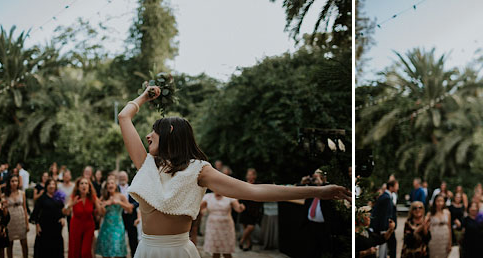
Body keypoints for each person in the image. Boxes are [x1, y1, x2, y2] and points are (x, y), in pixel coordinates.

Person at [116, 84, 351, 258]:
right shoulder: (145, 165)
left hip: (178, 251)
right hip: (145, 250)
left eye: (153, 131)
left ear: (168, 131)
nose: (147, 136)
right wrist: (145, 96)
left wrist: (317, 191)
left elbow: (254, 191)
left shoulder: (198, 170)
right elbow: (124, 116)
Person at [96, 180, 133, 258]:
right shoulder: (103, 197)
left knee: (117, 250)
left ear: (115, 186)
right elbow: (101, 214)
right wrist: (102, 207)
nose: (110, 185)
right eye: (108, 184)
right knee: (106, 252)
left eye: (112, 183)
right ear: (106, 187)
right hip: (106, 227)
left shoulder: (121, 196)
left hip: (118, 227)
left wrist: (119, 202)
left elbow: (130, 210)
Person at [200, 190, 243, 258]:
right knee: (215, 251)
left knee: (227, 252)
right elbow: (199, 208)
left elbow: (238, 208)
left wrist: (240, 207)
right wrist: (203, 211)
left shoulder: (229, 196)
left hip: (226, 227)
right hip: (213, 227)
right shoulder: (208, 196)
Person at [64, 177, 98, 258]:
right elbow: (65, 211)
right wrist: (71, 204)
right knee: (75, 251)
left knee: (85, 252)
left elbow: (101, 211)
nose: (84, 185)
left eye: (86, 183)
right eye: (81, 183)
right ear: (78, 187)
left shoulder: (93, 197)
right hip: (76, 226)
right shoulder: (73, 197)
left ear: (89, 187)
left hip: (89, 226)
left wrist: (100, 206)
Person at [31, 179, 64, 258]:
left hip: (56, 228)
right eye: (49, 184)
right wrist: (37, 225)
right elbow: (35, 213)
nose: (51, 186)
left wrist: (62, 217)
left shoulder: (58, 197)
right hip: (44, 227)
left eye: (53, 184)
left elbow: (62, 210)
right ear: (46, 186)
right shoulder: (42, 198)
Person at [238, 168, 263, 251]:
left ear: (254, 176)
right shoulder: (244, 184)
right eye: (248, 174)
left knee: (250, 227)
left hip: (254, 209)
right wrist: (240, 204)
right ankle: (249, 244)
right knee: (246, 227)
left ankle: (242, 241)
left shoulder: (258, 184)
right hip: (245, 208)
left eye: (251, 174)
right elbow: (240, 196)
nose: (249, 176)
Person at [373, 180, 400, 258]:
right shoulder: (386, 198)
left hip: (386, 228)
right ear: (391, 187)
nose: (398, 188)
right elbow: (385, 215)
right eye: (396, 186)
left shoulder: (387, 196)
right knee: (384, 250)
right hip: (385, 228)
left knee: (387, 248)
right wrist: (384, 230)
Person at [6, 174, 30, 257]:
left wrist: (27, 223)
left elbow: (25, 208)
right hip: (10, 220)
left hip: (20, 218)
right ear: (9, 182)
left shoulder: (22, 193)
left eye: (16, 181)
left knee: (24, 242)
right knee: (9, 243)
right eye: (12, 181)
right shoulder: (5, 194)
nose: (14, 183)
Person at [428, 194, 453, 258]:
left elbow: (449, 228)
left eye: (441, 201)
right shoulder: (430, 213)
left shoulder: (447, 212)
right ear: (435, 202)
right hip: (434, 238)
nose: (440, 203)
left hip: (444, 238)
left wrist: (450, 242)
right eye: (438, 201)